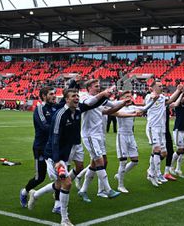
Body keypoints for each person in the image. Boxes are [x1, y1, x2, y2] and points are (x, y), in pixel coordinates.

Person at [27, 88, 112, 226]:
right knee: (66, 184)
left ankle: (35, 195)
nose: (77, 98)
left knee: (75, 171)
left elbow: (92, 104)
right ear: (66, 99)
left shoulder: (77, 110)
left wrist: (104, 96)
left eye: (78, 96)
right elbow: (54, 139)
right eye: (73, 96)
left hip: (70, 149)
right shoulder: (60, 115)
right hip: (56, 153)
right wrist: (56, 161)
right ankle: (64, 219)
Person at [77, 80, 125, 202]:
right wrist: (103, 93)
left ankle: (83, 190)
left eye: (99, 86)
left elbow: (113, 105)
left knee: (95, 163)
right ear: (89, 88)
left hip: (99, 135)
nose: (98, 88)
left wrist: (125, 102)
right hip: (90, 135)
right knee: (99, 161)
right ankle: (108, 190)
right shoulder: (84, 96)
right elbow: (89, 103)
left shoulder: (101, 100)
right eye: (96, 86)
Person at [103, 90, 157, 193]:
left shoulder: (133, 107)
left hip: (131, 136)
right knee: (123, 161)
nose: (129, 98)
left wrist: (154, 101)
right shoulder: (119, 107)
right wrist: (134, 115)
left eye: (130, 96)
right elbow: (119, 114)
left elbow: (145, 108)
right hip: (122, 135)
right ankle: (120, 185)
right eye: (126, 96)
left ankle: (119, 175)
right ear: (122, 98)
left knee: (135, 161)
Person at [19, 87, 57, 209]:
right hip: (40, 148)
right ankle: (24, 192)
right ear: (44, 96)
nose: (54, 96)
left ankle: (58, 202)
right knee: (39, 178)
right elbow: (44, 126)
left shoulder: (55, 107)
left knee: (60, 175)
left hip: (53, 148)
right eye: (51, 94)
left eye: (54, 94)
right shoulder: (40, 108)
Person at [145, 81, 182, 187]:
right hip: (153, 128)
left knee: (164, 153)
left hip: (162, 129)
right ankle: (155, 175)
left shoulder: (162, 98)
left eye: (162, 86)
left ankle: (151, 171)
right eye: (159, 86)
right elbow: (152, 97)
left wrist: (178, 90)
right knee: (156, 150)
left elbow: (170, 100)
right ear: (152, 88)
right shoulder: (149, 96)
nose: (161, 87)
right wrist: (154, 93)